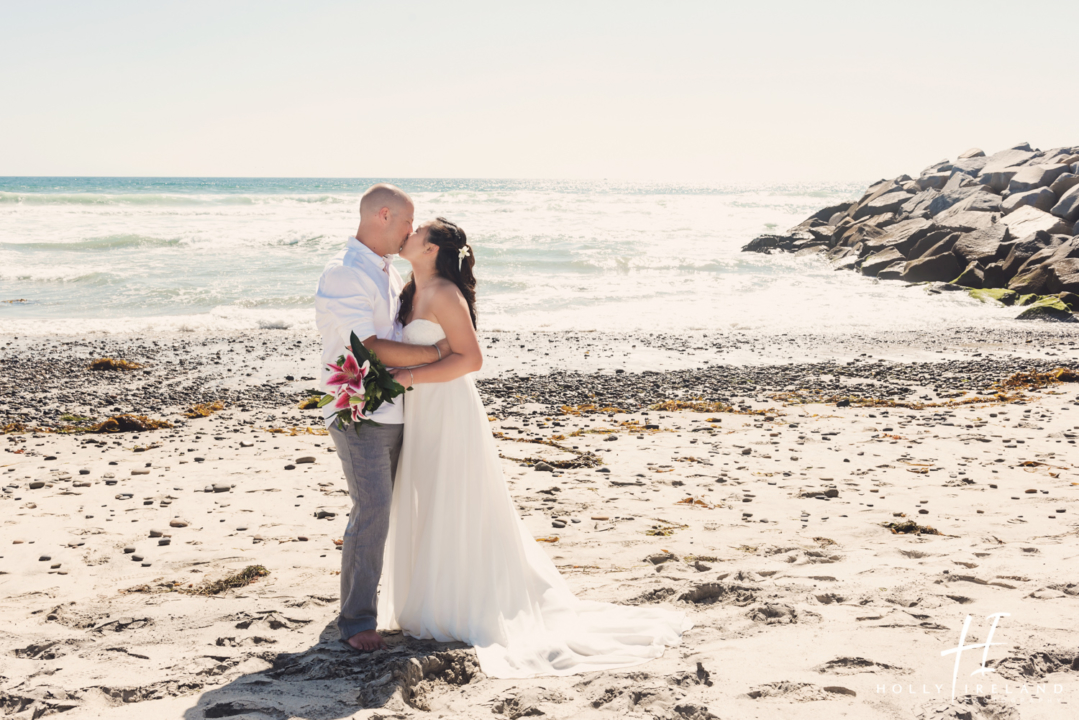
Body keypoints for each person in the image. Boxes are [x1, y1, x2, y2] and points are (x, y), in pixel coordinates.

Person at [383, 217, 691, 678]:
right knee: (428, 497)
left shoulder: (445, 292)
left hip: (448, 407)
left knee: (455, 498)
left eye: (417, 229)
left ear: (430, 249)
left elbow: (471, 358)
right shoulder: (410, 289)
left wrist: (406, 377)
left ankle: (462, 599)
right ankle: (435, 590)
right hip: (422, 410)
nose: (407, 233)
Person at [314, 184, 449, 652]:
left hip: (398, 408)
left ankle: (388, 601)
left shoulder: (388, 271)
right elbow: (365, 346)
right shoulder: (345, 274)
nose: (411, 231)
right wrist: (435, 352)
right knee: (372, 511)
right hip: (360, 412)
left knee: (392, 511)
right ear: (384, 215)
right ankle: (355, 621)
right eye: (408, 222)